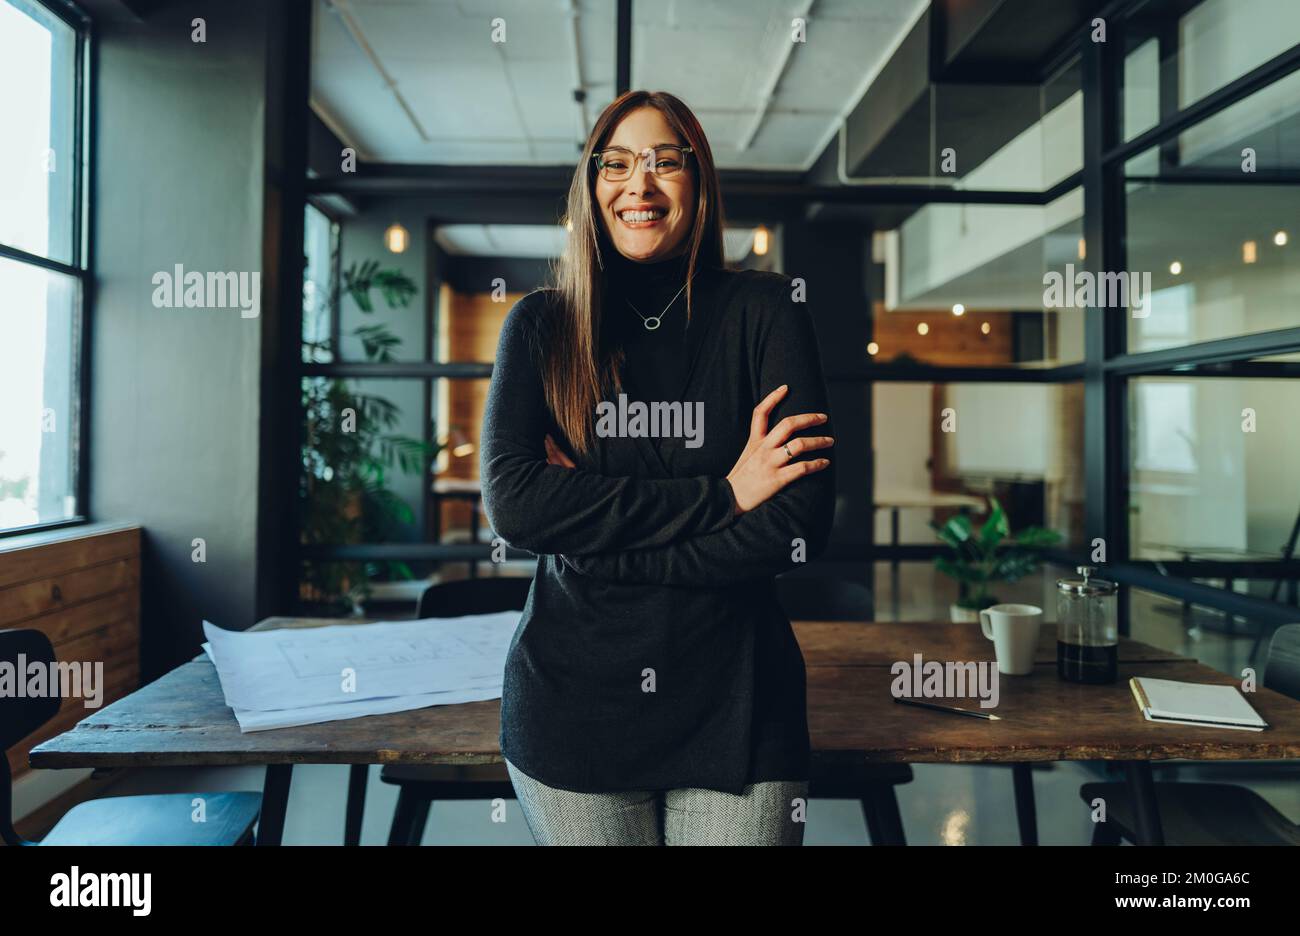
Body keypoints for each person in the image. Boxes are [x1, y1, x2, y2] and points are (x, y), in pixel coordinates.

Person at [480, 89, 836, 845]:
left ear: (699, 182)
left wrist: (587, 535)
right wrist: (727, 493)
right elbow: (516, 506)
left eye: (664, 162)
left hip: (740, 704)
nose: (638, 184)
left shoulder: (767, 314)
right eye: (615, 164)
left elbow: (796, 527)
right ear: (591, 185)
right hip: (572, 707)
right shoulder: (541, 327)